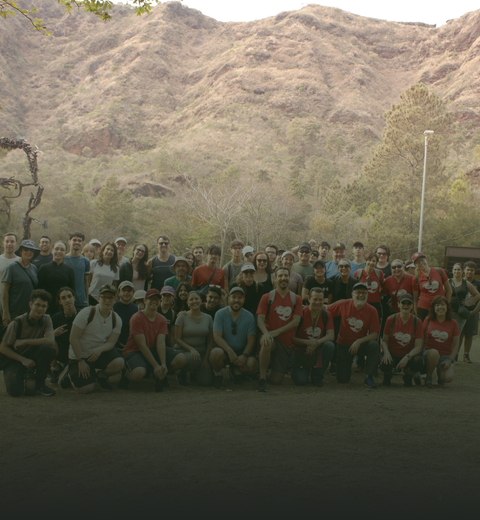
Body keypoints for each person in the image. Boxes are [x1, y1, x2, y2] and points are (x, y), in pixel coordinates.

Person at [118, 289, 187, 392]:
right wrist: (155, 365)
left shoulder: (162, 319)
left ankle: (160, 373)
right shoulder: (136, 317)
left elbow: (160, 343)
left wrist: (163, 364)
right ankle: (126, 374)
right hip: (135, 351)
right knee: (138, 374)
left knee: (181, 358)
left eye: (157, 299)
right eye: (151, 299)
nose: (154, 301)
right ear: (145, 301)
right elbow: (141, 345)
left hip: (153, 350)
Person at [61, 284, 124, 393]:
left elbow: (111, 343)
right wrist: (80, 360)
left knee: (119, 363)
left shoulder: (116, 319)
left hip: (98, 353)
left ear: (115, 299)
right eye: (104, 297)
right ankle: (67, 372)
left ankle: (101, 376)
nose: (107, 300)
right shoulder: (86, 313)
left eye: (110, 298)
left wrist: (99, 349)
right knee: (85, 389)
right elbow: (73, 338)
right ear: (98, 298)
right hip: (80, 354)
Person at [0, 289, 56, 397]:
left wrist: (24, 341)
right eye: (37, 305)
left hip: (32, 353)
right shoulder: (17, 322)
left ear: (47, 308)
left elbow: (50, 340)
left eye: (43, 306)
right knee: (15, 391)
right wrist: (23, 359)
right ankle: (23, 372)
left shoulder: (46, 319)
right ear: (30, 304)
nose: (40, 309)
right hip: (15, 358)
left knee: (47, 349)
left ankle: (40, 383)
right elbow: (2, 347)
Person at [256, 265, 303, 392]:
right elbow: (260, 319)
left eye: (286, 276)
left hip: (285, 342)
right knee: (267, 342)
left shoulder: (296, 299)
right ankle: (262, 379)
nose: (283, 278)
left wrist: (277, 331)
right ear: (275, 279)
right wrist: (265, 333)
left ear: (289, 278)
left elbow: (296, 321)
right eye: (280, 276)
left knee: (277, 380)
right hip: (270, 337)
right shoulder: (267, 297)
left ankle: (260, 372)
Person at [327, 282, 381, 388]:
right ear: (352, 294)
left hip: (361, 344)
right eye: (358, 292)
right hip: (344, 344)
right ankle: (345, 370)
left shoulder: (372, 310)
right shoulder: (343, 304)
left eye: (364, 293)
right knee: (342, 380)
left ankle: (369, 376)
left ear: (367, 295)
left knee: (374, 345)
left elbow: (374, 335)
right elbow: (326, 309)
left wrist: (358, 341)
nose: (361, 295)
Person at [210, 287, 257, 388]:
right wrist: (230, 351)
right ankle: (218, 373)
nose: (236, 300)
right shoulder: (220, 314)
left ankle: (236, 371)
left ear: (243, 300)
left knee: (252, 364)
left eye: (240, 297)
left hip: (240, 352)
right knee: (215, 353)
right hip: (224, 351)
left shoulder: (249, 316)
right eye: (233, 297)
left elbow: (251, 340)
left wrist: (244, 355)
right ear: (228, 299)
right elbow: (217, 337)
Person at [291, 288, 335, 387]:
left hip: (316, 349)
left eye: (320, 299)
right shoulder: (300, 313)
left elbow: (331, 336)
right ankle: (299, 370)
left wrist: (315, 343)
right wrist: (307, 343)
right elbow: (291, 338)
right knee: (301, 381)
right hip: (300, 351)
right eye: (315, 299)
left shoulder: (326, 315)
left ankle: (317, 375)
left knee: (329, 345)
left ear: (324, 300)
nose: (318, 302)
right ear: (309, 299)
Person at [380, 293, 424, 386]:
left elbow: (418, 347)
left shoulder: (417, 321)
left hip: (408, 355)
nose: (406, 305)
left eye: (409, 303)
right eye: (403, 303)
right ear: (399, 304)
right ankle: (387, 375)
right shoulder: (391, 319)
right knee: (385, 362)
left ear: (412, 306)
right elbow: (384, 341)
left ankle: (408, 376)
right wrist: (386, 353)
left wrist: (407, 357)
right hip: (393, 353)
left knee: (418, 362)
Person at [174, 290, 213, 386]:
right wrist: (191, 349)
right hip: (184, 351)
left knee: (205, 382)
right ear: (187, 303)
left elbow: (210, 340)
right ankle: (181, 374)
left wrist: (206, 359)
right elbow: (177, 339)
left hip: (201, 354)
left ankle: (194, 371)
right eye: (191, 299)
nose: (194, 301)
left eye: (196, 299)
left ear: (201, 301)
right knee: (194, 359)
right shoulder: (182, 317)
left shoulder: (208, 318)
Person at [422, 295, 460, 388]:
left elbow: (455, 345)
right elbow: (421, 338)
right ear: (433, 308)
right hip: (429, 353)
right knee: (434, 353)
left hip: (445, 357)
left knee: (448, 378)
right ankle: (429, 376)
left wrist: (450, 361)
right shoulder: (428, 320)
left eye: (442, 305)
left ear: (447, 307)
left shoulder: (453, 322)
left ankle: (440, 373)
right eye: (437, 305)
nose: (440, 307)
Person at [1, 239, 40, 323]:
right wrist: (6, 313)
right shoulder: (11, 268)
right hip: (14, 312)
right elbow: (4, 291)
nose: (29, 252)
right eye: (26, 249)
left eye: (32, 250)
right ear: (21, 251)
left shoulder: (34, 268)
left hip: (30, 311)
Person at [38, 240, 76, 315]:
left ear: (65, 253)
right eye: (56, 249)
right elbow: (39, 289)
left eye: (62, 250)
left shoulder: (69, 270)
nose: (59, 251)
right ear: (52, 250)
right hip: (47, 307)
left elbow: (73, 291)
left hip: (64, 308)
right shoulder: (43, 268)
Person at [412, 252, 452, 321]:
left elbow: (449, 291)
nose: (421, 263)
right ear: (415, 265)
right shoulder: (416, 278)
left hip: (439, 308)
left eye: (422, 260)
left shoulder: (439, 271)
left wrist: (445, 306)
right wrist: (416, 314)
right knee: (424, 330)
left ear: (426, 260)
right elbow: (415, 300)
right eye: (418, 262)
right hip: (423, 309)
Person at [51, 287, 79, 383]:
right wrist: (53, 334)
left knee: (66, 382)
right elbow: (45, 337)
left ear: (74, 298)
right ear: (59, 302)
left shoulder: (83, 314)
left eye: (69, 296)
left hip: (79, 352)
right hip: (62, 352)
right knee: (48, 343)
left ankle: (67, 369)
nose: (67, 300)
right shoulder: (55, 317)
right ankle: (56, 369)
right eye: (63, 298)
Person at [449, 263, 479, 337]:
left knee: (457, 335)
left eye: (459, 269)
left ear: (462, 271)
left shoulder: (466, 283)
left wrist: (469, 303)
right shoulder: (448, 282)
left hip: (460, 313)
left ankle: (455, 349)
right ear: (452, 271)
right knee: (447, 333)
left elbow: (478, 295)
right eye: (455, 269)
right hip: (449, 312)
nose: (457, 271)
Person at [353, 252, 385, 321]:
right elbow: (353, 289)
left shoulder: (379, 273)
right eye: (369, 260)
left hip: (376, 304)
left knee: (375, 325)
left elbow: (384, 286)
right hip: (361, 303)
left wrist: (379, 294)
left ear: (376, 263)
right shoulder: (358, 273)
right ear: (365, 261)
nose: (371, 263)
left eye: (374, 261)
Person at [459, 261, 480, 363]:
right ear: (464, 270)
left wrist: (474, 311)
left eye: (471, 270)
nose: (469, 272)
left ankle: (466, 356)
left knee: (469, 335)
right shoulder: (459, 282)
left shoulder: (478, 283)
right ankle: (455, 355)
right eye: (467, 270)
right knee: (459, 334)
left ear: (474, 271)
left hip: (473, 312)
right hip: (460, 313)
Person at [65, 232, 90, 309]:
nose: (77, 242)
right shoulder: (63, 259)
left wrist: (87, 301)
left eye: (79, 241)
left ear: (82, 243)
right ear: (69, 242)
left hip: (81, 301)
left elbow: (86, 282)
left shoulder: (85, 261)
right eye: (74, 240)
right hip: (66, 299)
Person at [113, 281, 138, 352]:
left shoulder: (137, 309)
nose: (126, 292)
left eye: (129, 290)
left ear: (133, 293)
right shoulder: (113, 308)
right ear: (118, 293)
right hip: (114, 344)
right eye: (124, 290)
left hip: (132, 346)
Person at [0, 232, 19, 317]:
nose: (9, 244)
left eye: (12, 241)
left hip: (15, 303)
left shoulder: (20, 261)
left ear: (16, 244)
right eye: (7, 241)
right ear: (3, 242)